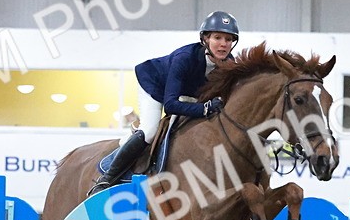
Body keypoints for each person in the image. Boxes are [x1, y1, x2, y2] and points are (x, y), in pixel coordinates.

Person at [90, 11, 240, 193]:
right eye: (217, 37)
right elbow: (170, 104)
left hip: (186, 94)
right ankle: (106, 180)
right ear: (205, 39)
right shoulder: (185, 58)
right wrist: (205, 108)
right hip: (155, 85)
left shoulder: (230, 64)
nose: (223, 44)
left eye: (229, 39)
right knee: (150, 131)